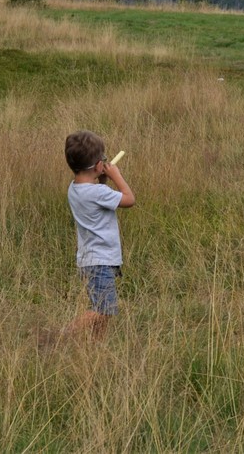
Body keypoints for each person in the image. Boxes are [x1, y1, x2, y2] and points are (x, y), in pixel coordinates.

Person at [63, 130, 135, 339]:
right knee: (103, 309)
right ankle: (63, 335)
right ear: (97, 166)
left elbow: (95, 198)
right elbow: (129, 199)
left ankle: (96, 348)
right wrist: (116, 176)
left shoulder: (75, 189)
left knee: (101, 310)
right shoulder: (98, 193)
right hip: (101, 261)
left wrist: (101, 180)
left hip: (89, 260)